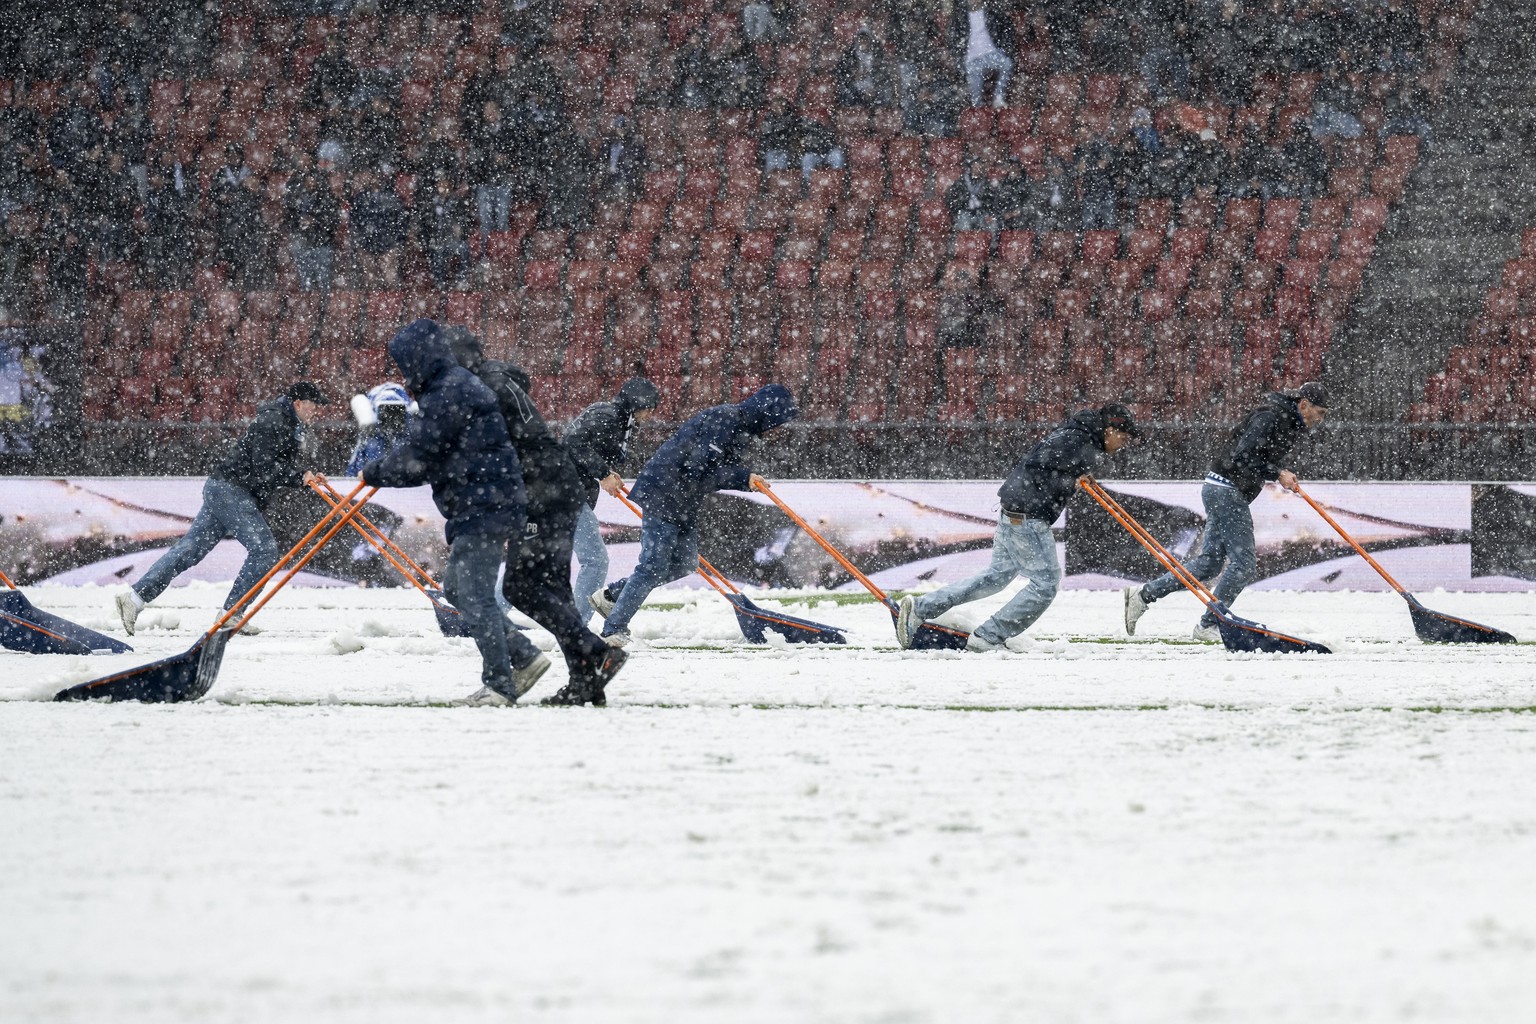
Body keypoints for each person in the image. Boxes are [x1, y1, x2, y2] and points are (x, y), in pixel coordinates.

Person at [359, 320, 541, 704]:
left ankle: (500, 683)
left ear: (417, 358)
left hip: (484, 505)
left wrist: (374, 471)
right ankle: (523, 655)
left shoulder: (449, 392)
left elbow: (421, 456)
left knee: (473, 595)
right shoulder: (453, 385)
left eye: (405, 363)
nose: (405, 374)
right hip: (483, 502)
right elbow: (428, 453)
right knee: (458, 590)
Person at [445, 327, 628, 707]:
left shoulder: (483, 390)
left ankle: (595, 653)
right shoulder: (499, 381)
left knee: (519, 588)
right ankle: (585, 678)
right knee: (554, 591)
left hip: (541, 493)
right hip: (558, 489)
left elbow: (494, 453)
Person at [896, 404, 1141, 652]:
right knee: (1045, 585)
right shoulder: (1079, 440)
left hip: (1014, 509)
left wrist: (1074, 479)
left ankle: (921, 608)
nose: (1122, 444)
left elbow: (1046, 466)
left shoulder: (1077, 433)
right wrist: (1070, 480)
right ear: (1109, 429)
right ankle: (988, 637)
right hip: (1028, 515)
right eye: (1123, 437)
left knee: (995, 577)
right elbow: (1038, 465)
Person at [592, 384, 799, 647]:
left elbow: (716, 469)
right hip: (665, 494)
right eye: (777, 421)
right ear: (767, 413)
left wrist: (745, 477)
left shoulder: (740, 427)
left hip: (684, 500)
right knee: (652, 566)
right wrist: (741, 477)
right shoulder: (725, 420)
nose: (776, 429)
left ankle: (611, 596)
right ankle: (613, 630)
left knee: (685, 564)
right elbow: (696, 469)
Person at [115, 383, 329, 635]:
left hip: (225, 488)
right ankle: (231, 613)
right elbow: (264, 469)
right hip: (231, 491)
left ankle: (135, 598)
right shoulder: (274, 422)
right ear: (298, 404)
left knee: (190, 550)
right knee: (264, 550)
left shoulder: (286, 423)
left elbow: (275, 466)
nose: (315, 412)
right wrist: (299, 476)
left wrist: (306, 477)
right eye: (313, 406)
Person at [1124, 383, 1330, 642]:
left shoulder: (1286, 422)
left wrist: (1279, 472)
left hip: (1222, 489)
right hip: (1226, 490)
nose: (1321, 419)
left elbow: (1255, 456)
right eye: (1320, 412)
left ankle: (1143, 596)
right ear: (1303, 405)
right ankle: (1209, 624)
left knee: (1209, 563)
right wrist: (1278, 473)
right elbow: (1244, 457)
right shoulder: (1271, 417)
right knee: (1244, 565)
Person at [562, 376, 661, 623]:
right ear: (636, 403)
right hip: (565, 494)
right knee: (595, 561)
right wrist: (603, 473)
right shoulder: (610, 416)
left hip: (555, 490)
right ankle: (576, 630)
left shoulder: (610, 414)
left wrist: (604, 472)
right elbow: (574, 442)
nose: (651, 414)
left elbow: (579, 447)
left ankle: (489, 616)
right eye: (649, 407)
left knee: (532, 564)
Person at [952, 0, 1014, 109]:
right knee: (975, 88)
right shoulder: (960, 17)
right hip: (972, 58)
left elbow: (1006, 30)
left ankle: (998, 97)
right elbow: (954, 39)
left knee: (1007, 64)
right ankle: (978, 110)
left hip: (992, 53)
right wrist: (960, 56)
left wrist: (1005, 48)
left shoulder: (992, 12)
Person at [346, 382, 412, 476]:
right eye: (386, 411)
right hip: (398, 484)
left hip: (371, 483)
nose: (391, 417)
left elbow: (355, 469)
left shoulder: (371, 438)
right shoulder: (409, 438)